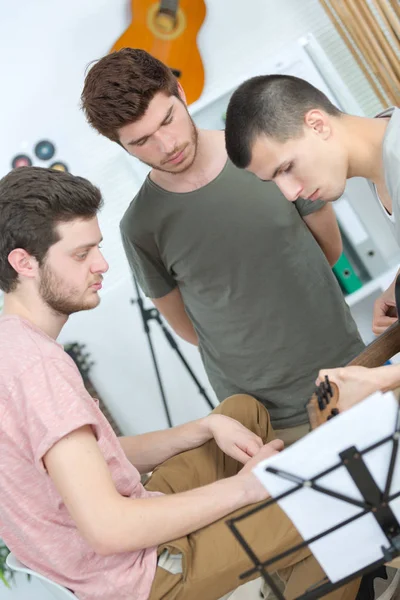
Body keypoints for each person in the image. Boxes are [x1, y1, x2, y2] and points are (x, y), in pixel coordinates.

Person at [0, 166, 360, 600]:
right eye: (81, 255)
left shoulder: (13, 346)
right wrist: (244, 489)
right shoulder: (38, 368)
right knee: (340, 500)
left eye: (96, 247)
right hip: (145, 572)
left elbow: (89, 461)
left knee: (240, 411)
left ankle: (279, 551)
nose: (102, 264)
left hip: (114, 542)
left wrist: (203, 428)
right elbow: (109, 529)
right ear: (24, 263)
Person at [80, 49, 364, 447]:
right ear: (121, 145)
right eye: (142, 140)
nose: (166, 144)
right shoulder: (140, 228)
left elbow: (328, 249)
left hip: (353, 370)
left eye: (168, 119)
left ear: (180, 92)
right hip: (260, 423)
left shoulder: (265, 154)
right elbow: (188, 328)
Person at [224, 73, 400, 337]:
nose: (291, 193)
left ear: (318, 125)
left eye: (287, 168)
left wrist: (378, 380)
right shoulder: (384, 163)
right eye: (274, 180)